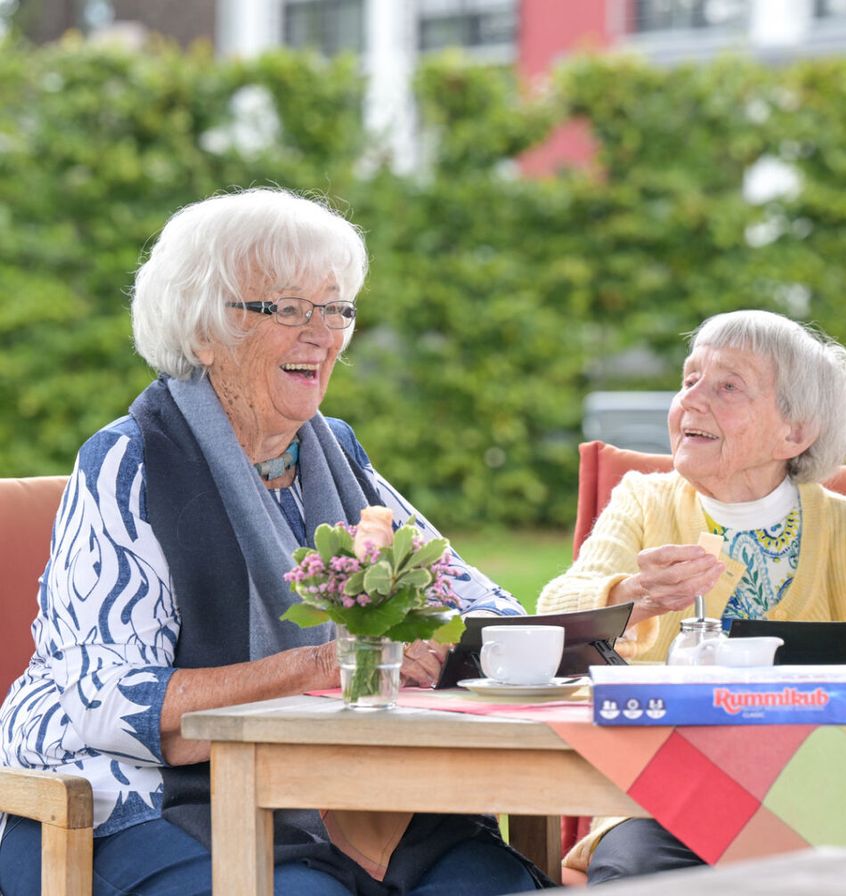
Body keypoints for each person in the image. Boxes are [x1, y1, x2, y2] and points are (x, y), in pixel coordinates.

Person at [0, 188, 544, 896]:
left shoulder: (335, 454)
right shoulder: (130, 463)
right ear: (203, 331)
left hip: (347, 791)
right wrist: (328, 662)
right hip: (142, 800)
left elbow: (479, 605)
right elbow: (108, 702)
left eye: (336, 307)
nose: (323, 333)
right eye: (287, 309)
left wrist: (474, 639)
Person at [537, 308, 846, 881]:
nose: (692, 400)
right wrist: (637, 594)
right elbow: (554, 614)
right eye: (690, 380)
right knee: (634, 874)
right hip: (659, 804)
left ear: (796, 431)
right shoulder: (644, 502)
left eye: (728, 385)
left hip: (820, 810)